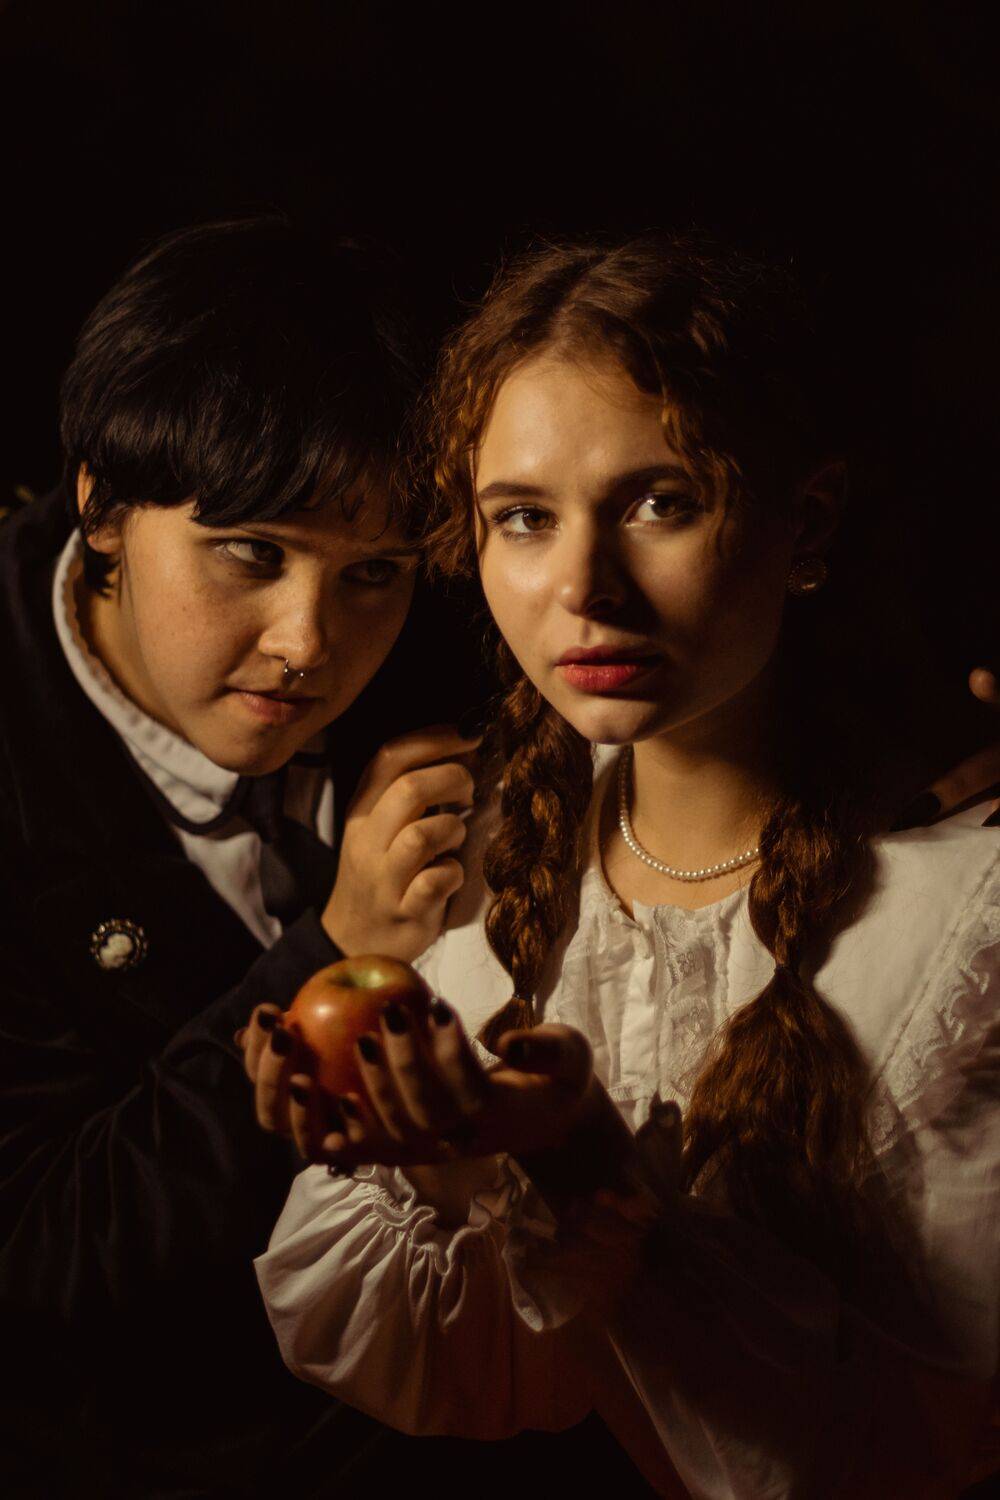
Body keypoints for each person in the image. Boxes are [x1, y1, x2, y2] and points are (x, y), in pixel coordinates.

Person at [247, 234, 1000, 1498]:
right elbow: (477, 1383)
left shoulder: (962, 919)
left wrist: (575, 1159)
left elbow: (898, 1452)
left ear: (805, 519)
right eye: (524, 519)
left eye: (661, 502)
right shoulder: (483, 876)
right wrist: (443, 1162)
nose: (583, 587)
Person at [0, 215, 486, 1498]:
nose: (307, 642)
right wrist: (333, 957)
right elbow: (36, 1247)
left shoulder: (458, 615)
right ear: (103, 505)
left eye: (373, 575)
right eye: (252, 554)